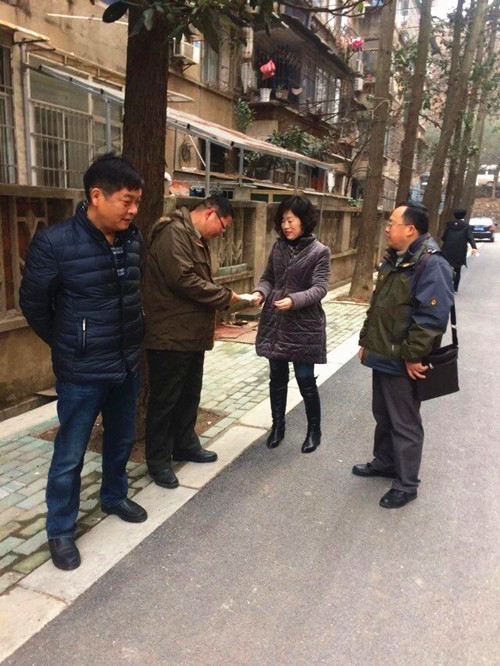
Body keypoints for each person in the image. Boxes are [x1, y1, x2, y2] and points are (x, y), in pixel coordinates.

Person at [19, 153, 147, 571]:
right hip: (82, 371)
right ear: (96, 196)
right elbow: (34, 304)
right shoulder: (55, 243)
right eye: (126, 201)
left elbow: (134, 294)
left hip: (126, 362)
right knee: (70, 454)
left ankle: (114, 496)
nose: (133, 210)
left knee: (120, 439)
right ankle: (60, 530)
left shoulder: (132, 239)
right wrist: (71, 342)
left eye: (137, 202)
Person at [354, 203, 454, 508]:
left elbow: (432, 318)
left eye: (392, 222)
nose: (387, 228)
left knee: (404, 421)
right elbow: (378, 306)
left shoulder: (431, 264)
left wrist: (412, 355)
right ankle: (385, 462)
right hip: (383, 353)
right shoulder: (394, 259)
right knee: (383, 414)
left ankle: (407, 484)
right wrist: (366, 342)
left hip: (403, 360)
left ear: (410, 229)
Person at [143, 196, 241, 489]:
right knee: (165, 401)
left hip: (190, 335)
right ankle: (158, 461)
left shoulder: (194, 237)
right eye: (223, 227)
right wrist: (225, 297)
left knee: (188, 395)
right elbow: (183, 279)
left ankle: (184, 445)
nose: (221, 234)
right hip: (170, 335)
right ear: (211, 213)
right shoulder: (173, 233)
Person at [252, 196, 331, 453]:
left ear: (303, 221)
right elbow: (268, 277)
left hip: (304, 325)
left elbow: (320, 288)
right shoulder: (278, 247)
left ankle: (314, 430)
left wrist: (294, 300)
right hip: (276, 321)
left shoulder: (319, 252)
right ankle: (278, 426)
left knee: (305, 380)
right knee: (277, 377)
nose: (286, 226)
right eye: (283, 221)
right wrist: (260, 293)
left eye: (291, 220)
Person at [441, 208, 478, 292]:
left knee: (446, 268)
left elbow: (443, 238)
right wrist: (474, 247)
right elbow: (470, 237)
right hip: (460, 250)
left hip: (447, 249)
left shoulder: (449, 224)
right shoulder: (466, 226)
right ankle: (455, 288)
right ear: (464, 215)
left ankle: (446, 286)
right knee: (457, 269)